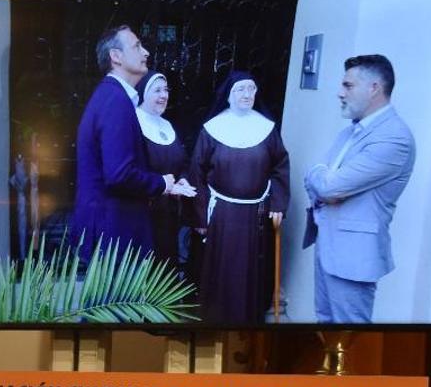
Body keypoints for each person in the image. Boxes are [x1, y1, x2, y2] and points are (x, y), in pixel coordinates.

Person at [302, 54, 414, 324]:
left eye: (348, 85)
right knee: (325, 326)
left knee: (350, 337)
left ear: (374, 88)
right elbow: (319, 179)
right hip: (328, 247)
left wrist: (321, 176)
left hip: (353, 258)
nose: (340, 93)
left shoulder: (394, 137)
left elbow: (327, 185)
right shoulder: (350, 132)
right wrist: (322, 177)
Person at [69, 26, 194, 263]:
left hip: (111, 229)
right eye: (137, 46)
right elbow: (119, 174)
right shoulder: (116, 100)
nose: (145, 52)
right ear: (116, 56)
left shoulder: (111, 96)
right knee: (118, 301)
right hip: (113, 232)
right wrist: (161, 183)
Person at [189, 71, 289, 324]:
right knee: (223, 267)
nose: (247, 95)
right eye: (241, 90)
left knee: (250, 269)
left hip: (256, 213)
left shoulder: (267, 129)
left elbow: (280, 167)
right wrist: (200, 216)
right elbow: (197, 174)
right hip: (222, 212)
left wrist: (278, 204)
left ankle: (249, 317)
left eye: (251, 89)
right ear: (229, 95)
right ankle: (217, 318)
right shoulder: (212, 129)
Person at [134, 70, 191, 274]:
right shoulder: (132, 123)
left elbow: (182, 164)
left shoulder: (167, 125)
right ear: (143, 92)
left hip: (168, 214)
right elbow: (130, 171)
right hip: (141, 213)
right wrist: (164, 186)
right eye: (157, 90)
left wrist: (183, 180)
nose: (163, 95)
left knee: (165, 270)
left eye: (166, 90)